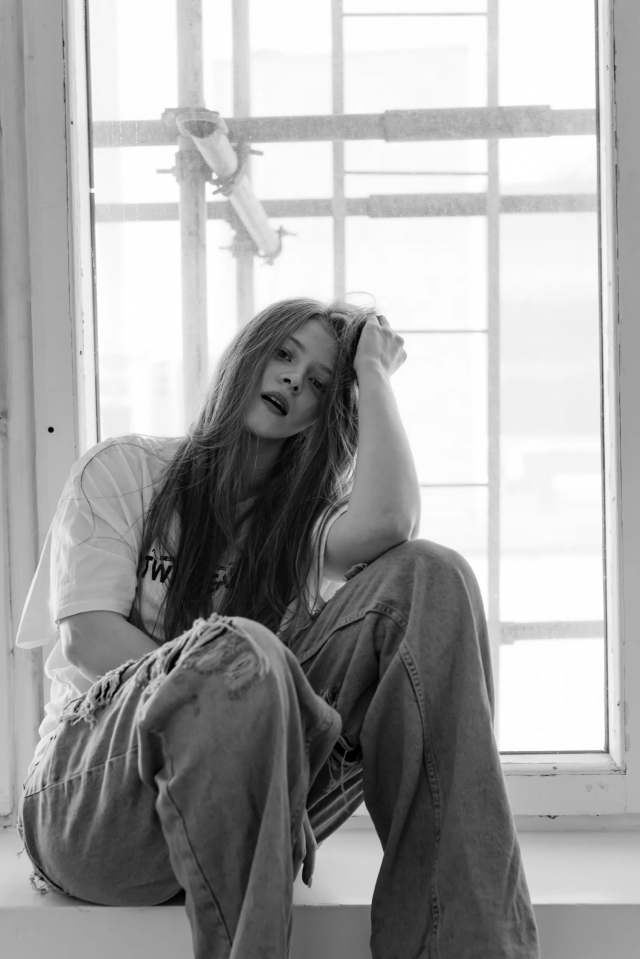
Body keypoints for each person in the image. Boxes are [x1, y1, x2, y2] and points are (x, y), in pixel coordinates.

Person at [16, 297, 540, 959]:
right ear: (246, 355)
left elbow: (390, 523)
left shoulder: (304, 525)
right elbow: (88, 639)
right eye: (283, 354)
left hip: (251, 807)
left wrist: (373, 373)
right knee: (241, 648)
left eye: (319, 382)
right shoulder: (126, 470)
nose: (294, 378)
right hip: (96, 804)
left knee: (434, 576)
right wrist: (241, 693)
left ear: (326, 413)